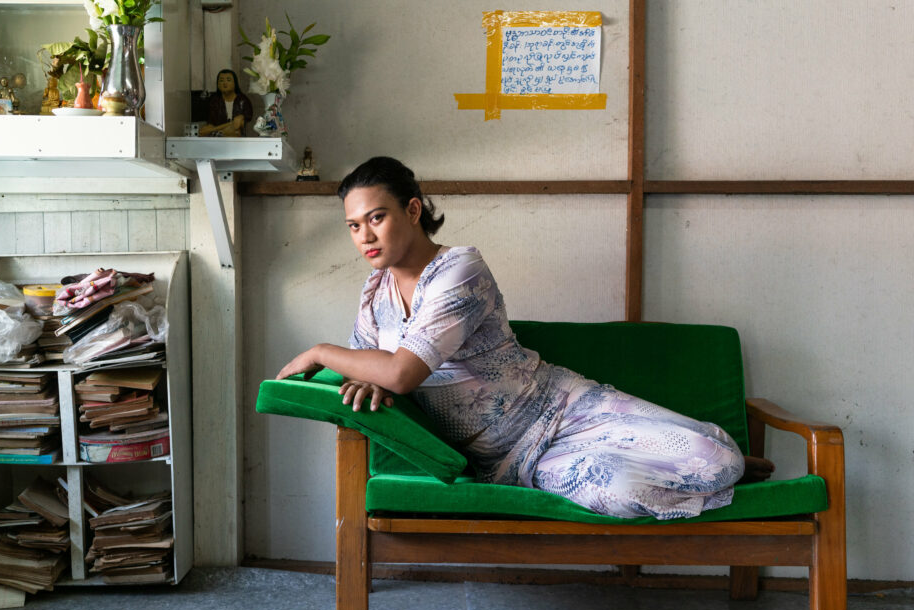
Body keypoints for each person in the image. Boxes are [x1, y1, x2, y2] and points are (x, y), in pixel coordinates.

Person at [276, 157, 774, 520]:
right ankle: (679, 469)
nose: (364, 235)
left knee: (717, 456)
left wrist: (323, 352)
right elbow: (377, 367)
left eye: (376, 217)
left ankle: (706, 460)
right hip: (516, 459)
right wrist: (374, 380)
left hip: (564, 408)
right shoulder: (375, 294)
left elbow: (401, 371)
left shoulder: (460, 269)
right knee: (618, 491)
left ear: (411, 210)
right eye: (353, 225)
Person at [199, 69, 253, 138]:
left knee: (235, 130)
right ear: (218, 84)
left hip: (236, 134)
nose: (225, 83)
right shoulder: (214, 101)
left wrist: (241, 117)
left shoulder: (243, 100)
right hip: (219, 131)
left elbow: (242, 123)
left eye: (228, 80)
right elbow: (211, 123)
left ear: (235, 83)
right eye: (221, 80)